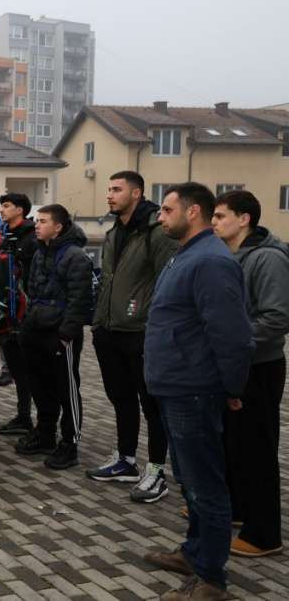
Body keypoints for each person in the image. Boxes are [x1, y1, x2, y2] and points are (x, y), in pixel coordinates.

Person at [142, 183, 253, 601]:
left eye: (167, 209)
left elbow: (233, 335)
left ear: (193, 213)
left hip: (194, 389)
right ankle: (194, 552)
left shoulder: (210, 262)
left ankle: (210, 579)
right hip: (174, 385)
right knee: (190, 480)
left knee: (206, 486)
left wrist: (231, 386)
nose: (160, 216)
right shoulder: (186, 255)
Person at [87, 171, 178, 504]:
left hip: (141, 332)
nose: (109, 195)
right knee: (120, 398)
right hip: (110, 329)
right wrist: (99, 323)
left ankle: (155, 471)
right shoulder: (114, 232)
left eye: (116, 189)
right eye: (109, 189)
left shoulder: (156, 232)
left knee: (151, 405)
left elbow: (166, 283)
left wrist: (150, 323)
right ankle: (125, 459)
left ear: (136, 193)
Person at [212, 190, 288, 558]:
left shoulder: (269, 259)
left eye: (221, 216)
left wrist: (233, 340)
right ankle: (239, 511)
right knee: (235, 445)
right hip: (235, 363)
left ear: (245, 219)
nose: (213, 222)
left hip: (259, 367)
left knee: (258, 450)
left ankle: (265, 535)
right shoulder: (230, 255)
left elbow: (276, 317)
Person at [17, 204, 94, 470]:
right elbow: (32, 288)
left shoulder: (75, 257)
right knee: (40, 384)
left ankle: (69, 444)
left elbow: (80, 299)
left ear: (58, 226)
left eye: (43, 221)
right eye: (36, 221)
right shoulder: (40, 252)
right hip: (36, 329)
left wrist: (66, 333)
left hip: (60, 334)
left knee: (66, 388)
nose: (36, 225)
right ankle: (45, 433)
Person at [0, 193, 38, 434]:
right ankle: (22, 416)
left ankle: (32, 419)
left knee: (28, 369)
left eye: (7, 206)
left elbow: (30, 274)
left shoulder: (31, 237)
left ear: (20, 210)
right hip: (6, 311)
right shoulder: (6, 236)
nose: (2, 210)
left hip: (24, 310)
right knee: (16, 368)